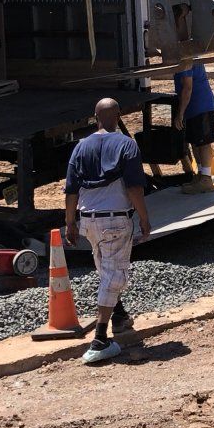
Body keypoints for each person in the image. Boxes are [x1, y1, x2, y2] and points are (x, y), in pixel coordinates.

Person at [63, 97, 153, 366]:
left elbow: (71, 189)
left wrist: (70, 222)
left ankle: (120, 316)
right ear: (119, 116)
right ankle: (100, 340)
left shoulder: (81, 147)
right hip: (115, 220)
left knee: (106, 271)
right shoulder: (127, 144)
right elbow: (134, 187)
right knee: (114, 277)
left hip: (88, 220)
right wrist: (144, 219)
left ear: (95, 117)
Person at [173, 51, 214, 195]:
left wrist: (180, 113)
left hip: (201, 106)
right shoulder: (184, 58)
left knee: (203, 143)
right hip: (193, 108)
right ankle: (201, 174)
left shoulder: (186, 59)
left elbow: (187, 88)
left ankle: (206, 178)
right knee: (195, 142)